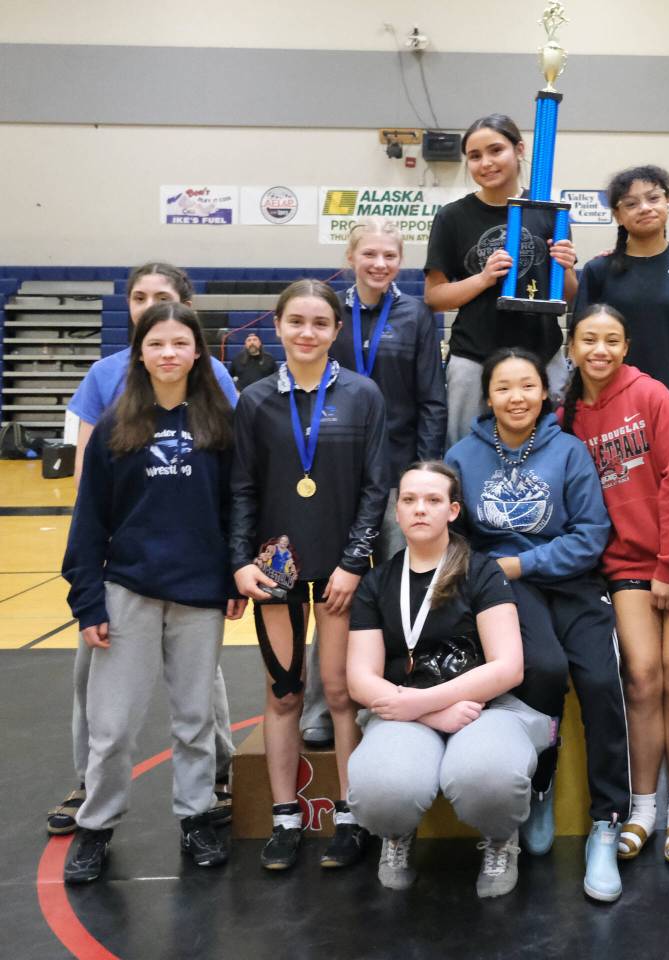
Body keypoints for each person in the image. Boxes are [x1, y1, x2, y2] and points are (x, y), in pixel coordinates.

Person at [50, 262, 238, 839]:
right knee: (112, 727)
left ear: (198, 353)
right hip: (127, 589)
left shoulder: (220, 425)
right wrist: (88, 598)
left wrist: (234, 575)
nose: (168, 353)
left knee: (195, 719)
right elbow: (89, 519)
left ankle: (197, 814)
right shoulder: (115, 425)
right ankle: (97, 824)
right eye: (156, 343)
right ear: (139, 353)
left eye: (180, 343)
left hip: (199, 594)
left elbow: (236, 508)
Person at [445, 348, 630, 903]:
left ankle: (607, 821)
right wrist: (493, 575)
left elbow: (590, 534)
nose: (517, 397)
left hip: (570, 581)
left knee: (601, 680)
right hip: (504, 587)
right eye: (504, 387)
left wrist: (524, 562)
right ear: (488, 396)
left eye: (527, 385)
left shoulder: (568, 450)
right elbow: (459, 540)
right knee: (543, 668)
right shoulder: (462, 456)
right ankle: (540, 781)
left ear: (544, 393)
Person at [230, 279, 389, 871]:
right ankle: (284, 818)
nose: (307, 332)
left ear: (336, 330)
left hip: (342, 569)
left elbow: (376, 487)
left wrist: (353, 562)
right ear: (276, 326)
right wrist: (239, 562)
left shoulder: (363, 395)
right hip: (276, 570)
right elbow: (242, 488)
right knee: (284, 693)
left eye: (320, 323)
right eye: (295, 321)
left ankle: (351, 816)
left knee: (342, 694)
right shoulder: (255, 401)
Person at [346, 461, 553, 898]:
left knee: (489, 777)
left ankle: (501, 836)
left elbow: (508, 667)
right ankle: (396, 831)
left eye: (433, 500)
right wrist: (430, 713)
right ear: (397, 512)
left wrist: (422, 701)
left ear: (453, 510)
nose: (420, 508)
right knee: (379, 789)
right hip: (407, 712)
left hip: (485, 709)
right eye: (409, 500)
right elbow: (361, 679)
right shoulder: (376, 582)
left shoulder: (482, 572)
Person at [563, 304, 669, 866]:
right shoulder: (568, 414)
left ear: (626, 347)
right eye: (588, 340)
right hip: (624, 562)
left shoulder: (651, 395)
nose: (599, 350)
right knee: (644, 676)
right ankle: (643, 808)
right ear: (572, 348)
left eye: (611, 340)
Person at [301, 217, 449, 749]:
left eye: (390, 255)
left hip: (396, 478)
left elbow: (432, 399)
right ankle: (323, 704)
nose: (380, 264)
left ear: (400, 261)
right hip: (337, 478)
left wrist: (424, 473)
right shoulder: (328, 312)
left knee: (400, 591)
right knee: (334, 594)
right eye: (369, 254)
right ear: (351, 257)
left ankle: (397, 696)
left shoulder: (416, 315)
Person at [424, 113, 579, 446]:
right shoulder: (452, 217)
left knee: (551, 450)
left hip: (542, 353)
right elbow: (434, 297)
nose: (486, 163)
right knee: (466, 452)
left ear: (519, 150)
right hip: (474, 358)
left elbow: (570, 295)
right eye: (475, 156)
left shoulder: (550, 212)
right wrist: (483, 279)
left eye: (496, 150)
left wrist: (566, 267)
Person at [573, 165, 669, 458]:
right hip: (603, 409)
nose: (645, 208)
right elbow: (579, 349)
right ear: (618, 215)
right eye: (631, 204)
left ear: (668, 202)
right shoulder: (598, 271)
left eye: (653, 198)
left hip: (665, 405)